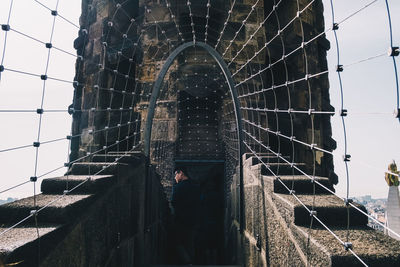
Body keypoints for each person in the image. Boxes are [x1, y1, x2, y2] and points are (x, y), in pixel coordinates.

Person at [171, 166, 200, 264]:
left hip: (181, 220)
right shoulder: (196, 187)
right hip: (194, 219)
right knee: (190, 243)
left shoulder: (178, 187)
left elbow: (174, 202)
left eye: (176, 174)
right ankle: (190, 262)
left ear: (181, 173)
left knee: (177, 242)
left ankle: (187, 262)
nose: (175, 177)